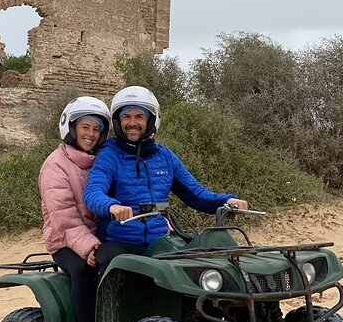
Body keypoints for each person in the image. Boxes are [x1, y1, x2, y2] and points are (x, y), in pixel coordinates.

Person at [83, 86, 248, 275]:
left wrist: (226, 201)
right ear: (118, 122)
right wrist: (111, 206)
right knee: (112, 267)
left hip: (159, 241)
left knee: (196, 272)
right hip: (120, 242)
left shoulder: (165, 157)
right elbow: (93, 192)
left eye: (139, 117)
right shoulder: (110, 155)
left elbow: (196, 194)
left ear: (151, 120)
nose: (132, 122)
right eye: (126, 116)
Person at [39, 96, 111, 322]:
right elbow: (64, 219)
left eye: (96, 129)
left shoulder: (103, 161)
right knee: (83, 270)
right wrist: (90, 247)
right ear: (70, 128)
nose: (91, 134)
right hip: (65, 240)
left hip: (101, 235)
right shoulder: (55, 166)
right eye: (85, 127)